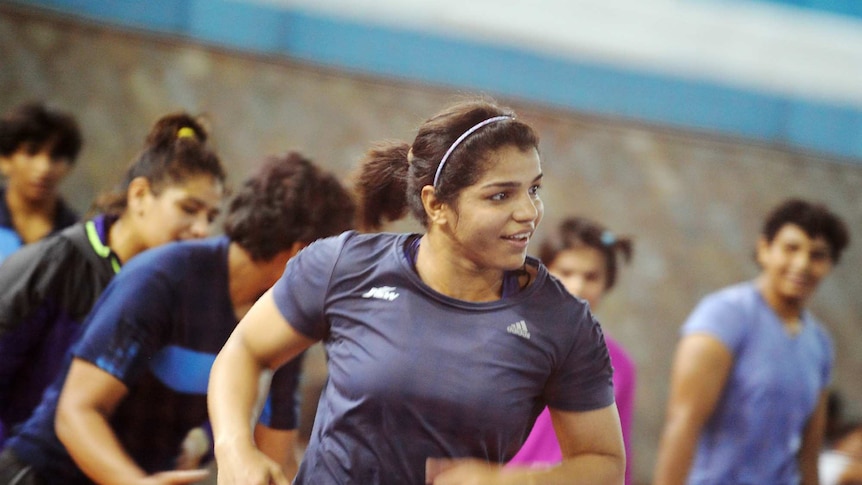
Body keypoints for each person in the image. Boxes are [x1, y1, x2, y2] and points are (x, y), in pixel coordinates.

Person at [208, 98, 625, 485]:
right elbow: (245, 351)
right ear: (436, 204)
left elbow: (604, 463)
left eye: (533, 189)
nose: (529, 212)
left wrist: (514, 482)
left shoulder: (562, 322)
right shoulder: (345, 267)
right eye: (501, 195)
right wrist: (234, 449)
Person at [0, 152, 356, 485]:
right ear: (302, 251)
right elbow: (76, 413)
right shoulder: (163, 277)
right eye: (335, 263)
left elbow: (274, 460)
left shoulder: (283, 321)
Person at [0, 113, 226, 448]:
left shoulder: (187, 293)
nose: (202, 230)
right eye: (189, 209)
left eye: (210, 216)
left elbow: (199, 388)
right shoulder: (56, 264)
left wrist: (199, 440)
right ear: (139, 196)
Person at [653, 198, 850, 485]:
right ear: (764, 249)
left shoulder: (819, 343)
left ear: (830, 265)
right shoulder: (724, 316)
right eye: (791, 248)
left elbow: (808, 454)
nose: (802, 264)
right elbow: (683, 425)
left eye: (818, 255)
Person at [508, 216, 636, 484]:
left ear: (607, 283)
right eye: (566, 272)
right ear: (543, 273)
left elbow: (616, 457)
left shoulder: (620, 366)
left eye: (591, 276)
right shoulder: (511, 339)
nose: (577, 286)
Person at [0, 102, 82, 263]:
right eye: (31, 152)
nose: (44, 168)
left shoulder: (76, 239)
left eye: (56, 156)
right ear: (4, 160)